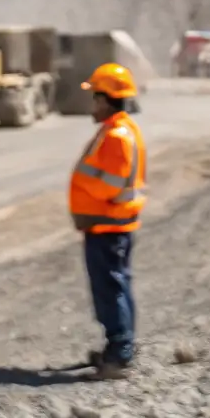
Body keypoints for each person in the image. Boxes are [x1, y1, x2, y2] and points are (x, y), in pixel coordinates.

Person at [69, 62, 146, 380]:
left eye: (95, 97)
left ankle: (119, 354)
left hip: (108, 225)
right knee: (116, 286)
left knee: (111, 288)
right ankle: (120, 347)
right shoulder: (118, 129)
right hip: (109, 225)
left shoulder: (116, 135)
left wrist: (82, 182)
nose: (93, 104)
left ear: (106, 98)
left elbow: (111, 184)